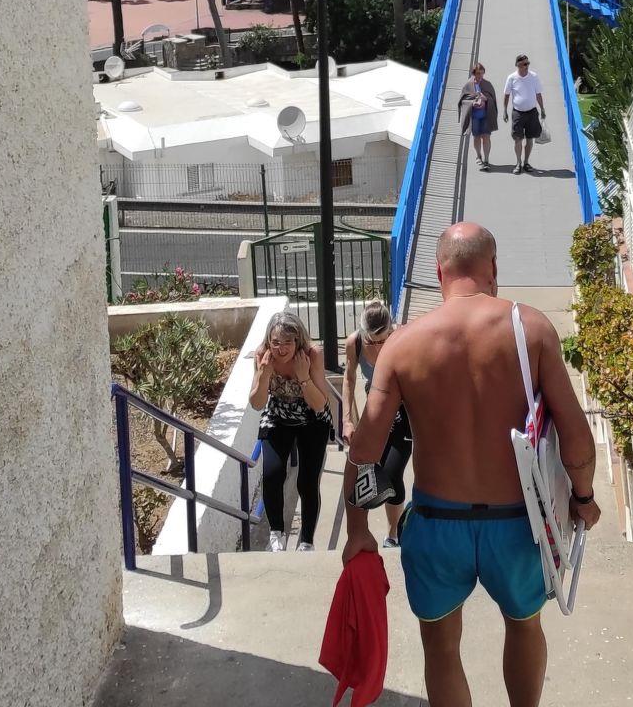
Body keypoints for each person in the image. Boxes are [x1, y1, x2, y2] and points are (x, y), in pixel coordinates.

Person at [343, 223, 600, 707]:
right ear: (493, 268)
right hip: (518, 525)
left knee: (441, 648)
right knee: (525, 627)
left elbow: (364, 449)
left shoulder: (403, 344)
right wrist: (583, 498)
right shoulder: (531, 329)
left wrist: (358, 529)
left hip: (437, 522)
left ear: (439, 272)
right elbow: (577, 437)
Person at [249, 310, 334, 552]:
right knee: (272, 474)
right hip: (278, 415)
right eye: (276, 342)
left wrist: (303, 377)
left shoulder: (311, 354)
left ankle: (306, 541)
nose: (281, 349)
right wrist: (264, 374)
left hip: (312, 418)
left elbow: (320, 403)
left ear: (298, 340)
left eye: (287, 342)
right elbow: (256, 403)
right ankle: (276, 533)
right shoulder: (263, 355)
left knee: (307, 482)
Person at [342, 300, 412, 548]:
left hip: (402, 412)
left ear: (391, 330)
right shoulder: (355, 343)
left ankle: (393, 532)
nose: (378, 347)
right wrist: (347, 420)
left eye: (383, 340)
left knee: (392, 473)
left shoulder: (403, 338)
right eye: (372, 341)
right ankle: (361, 532)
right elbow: (349, 379)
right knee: (367, 471)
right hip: (375, 410)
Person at [503, 54, 546, 175]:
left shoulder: (534, 77)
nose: (527, 66)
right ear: (518, 65)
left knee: (530, 138)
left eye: (528, 63)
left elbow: (538, 94)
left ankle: (526, 162)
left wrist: (542, 109)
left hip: (532, 112)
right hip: (518, 113)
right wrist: (505, 111)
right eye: (524, 64)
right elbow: (506, 95)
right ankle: (518, 163)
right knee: (518, 139)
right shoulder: (512, 78)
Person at [456, 62, 499, 170]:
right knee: (476, 137)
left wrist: (486, 99)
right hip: (474, 116)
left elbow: (493, 99)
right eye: (478, 73)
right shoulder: (468, 85)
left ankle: (486, 160)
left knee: (486, 137)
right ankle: (478, 156)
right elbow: (463, 100)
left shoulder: (487, 84)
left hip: (486, 116)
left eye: (482, 73)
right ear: (474, 73)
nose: (480, 75)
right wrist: (472, 103)